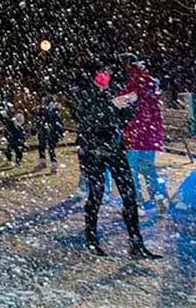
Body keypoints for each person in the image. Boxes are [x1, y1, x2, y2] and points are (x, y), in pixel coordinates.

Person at [68, 61, 161, 259]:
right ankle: (91, 238)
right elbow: (87, 119)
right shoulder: (82, 93)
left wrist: (129, 105)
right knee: (97, 192)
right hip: (92, 150)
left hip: (114, 147)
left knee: (129, 193)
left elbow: (122, 120)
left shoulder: (113, 92)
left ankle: (136, 243)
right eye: (102, 72)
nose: (106, 76)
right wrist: (110, 105)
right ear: (93, 75)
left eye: (108, 72)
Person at [122, 58, 168, 213]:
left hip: (134, 136)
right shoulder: (150, 83)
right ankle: (159, 195)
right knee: (148, 169)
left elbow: (120, 105)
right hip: (150, 135)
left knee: (132, 171)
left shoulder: (132, 85)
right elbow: (155, 110)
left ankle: (137, 203)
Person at [32, 95, 65, 173]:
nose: (42, 102)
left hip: (51, 131)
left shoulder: (53, 109)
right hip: (43, 131)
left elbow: (57, 121)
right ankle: (43, 162)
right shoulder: (42, 110)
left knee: (51, 148)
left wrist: (59, 131)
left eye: (44, 101)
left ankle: (54, 166)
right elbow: (38, 120)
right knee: (42, 146)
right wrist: (35, 128)